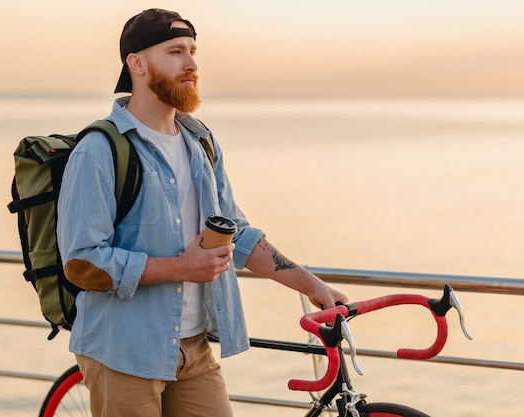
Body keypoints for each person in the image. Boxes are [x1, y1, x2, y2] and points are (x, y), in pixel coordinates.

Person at [57, 8, 347, 417]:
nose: (192, 64)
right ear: (136, 64)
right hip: (123, 352)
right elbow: (82, 263)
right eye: (176, 51)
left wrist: (310, 285)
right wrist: (181, 267)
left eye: (193, 51)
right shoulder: (100, 151)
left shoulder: (200, 142)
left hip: (193, 348)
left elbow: (237, 232)